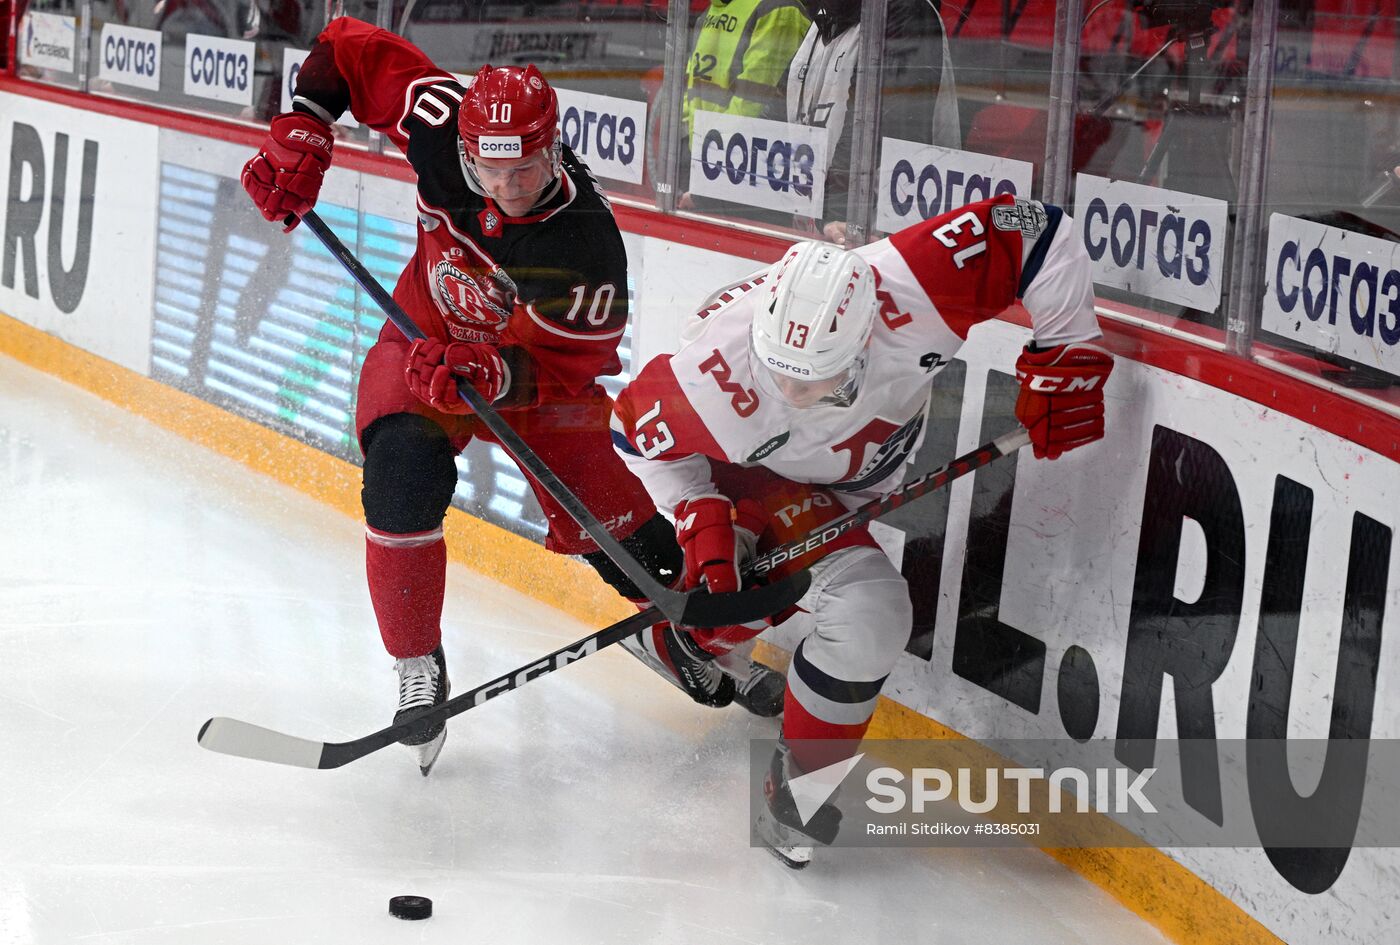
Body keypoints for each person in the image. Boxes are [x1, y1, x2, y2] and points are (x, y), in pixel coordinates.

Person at [239, 17, 777, 776]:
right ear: (463, 149)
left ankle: (673, 628)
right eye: (489, 172)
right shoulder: (435, 120)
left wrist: (490, 374)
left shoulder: (584, 245)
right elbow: (345, 50)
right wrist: (305, 127)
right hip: (421, 335)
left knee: (616, 531)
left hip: (531, 384)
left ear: (553, 149)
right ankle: (417, 661)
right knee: (399, 472)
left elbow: (565, 369)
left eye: (525, 171)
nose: (507, 188)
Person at [610, 193, 1114, 866]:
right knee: (838, 601)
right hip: (749, 476)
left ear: (868, 335)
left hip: (840, 487)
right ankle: (701, 644)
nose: (791, 391)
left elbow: (1041, 231)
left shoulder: (917, 281)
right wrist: (703, 520)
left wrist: (1067, 357)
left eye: (815, 379)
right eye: (779, 372)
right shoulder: (716, 375)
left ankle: (706, 659)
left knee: (851, 608)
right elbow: (635, 431)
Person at [787, 0, 962, 246]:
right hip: (819, 230)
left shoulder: (904, 11)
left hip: (877, 237)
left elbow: (879, 126)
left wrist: (837, 212)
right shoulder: (825, 17)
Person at [672, 0, 812, 210]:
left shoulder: (777, 8)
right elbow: (691, 88)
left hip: (751, 173)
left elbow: (752, 102)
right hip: (714, 165)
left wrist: (710, 170)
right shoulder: (713, 10)